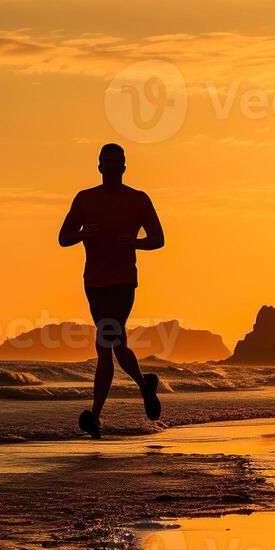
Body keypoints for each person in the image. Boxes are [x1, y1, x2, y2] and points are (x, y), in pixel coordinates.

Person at [59, 143, 165, 440]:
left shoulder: (138, 199)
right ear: (99, 166)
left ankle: (94, 416)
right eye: (108, 163)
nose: (113, 167)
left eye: (118, 163)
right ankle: (145, 386)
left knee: (105, 342)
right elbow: (63, 237)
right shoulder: (85, 199)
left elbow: (158, 238)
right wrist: (81, 234)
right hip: (93, 282)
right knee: (115, 344)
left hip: (123, 281)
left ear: (124, 167)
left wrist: (134, 244)